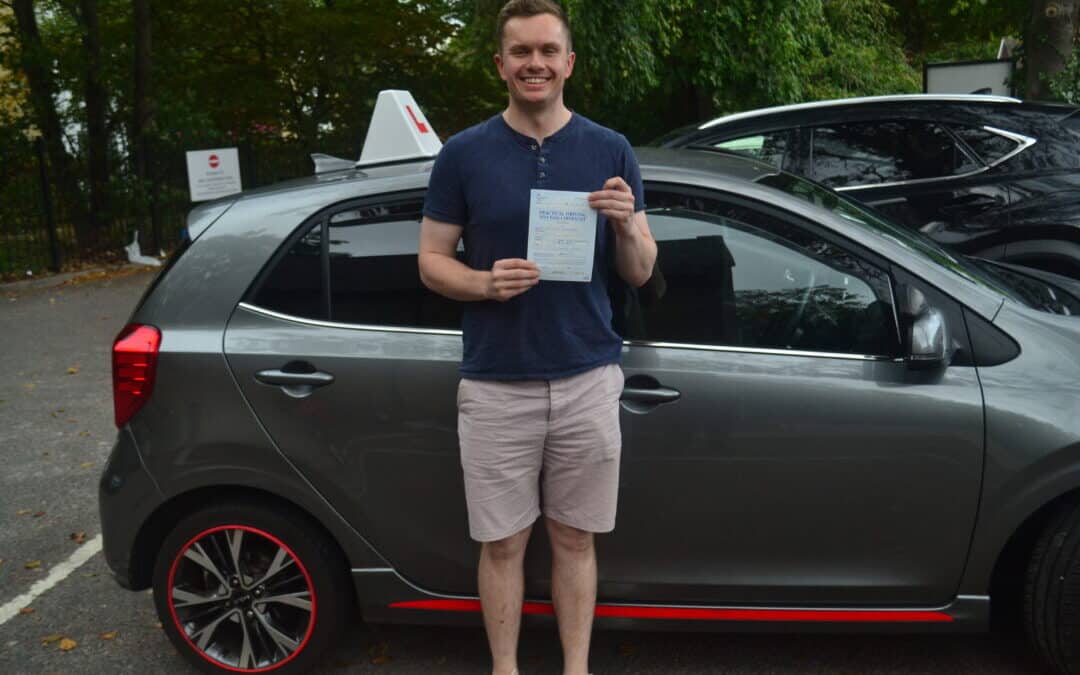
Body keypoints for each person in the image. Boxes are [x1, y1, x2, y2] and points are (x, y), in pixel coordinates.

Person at [417, 1, 656, 673]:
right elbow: (430, 261)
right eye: (521, 51)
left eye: (548, 50)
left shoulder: (610, 150)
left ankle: (575, 667)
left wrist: (626, 225)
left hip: (587, 378)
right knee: (502, 545)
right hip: (496, 382)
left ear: (568, 63)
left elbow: (640, 271)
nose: (535, 63)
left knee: (575, 539)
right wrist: (484, 284)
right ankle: (506, 668)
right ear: (501, 64)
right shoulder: (462, 154)